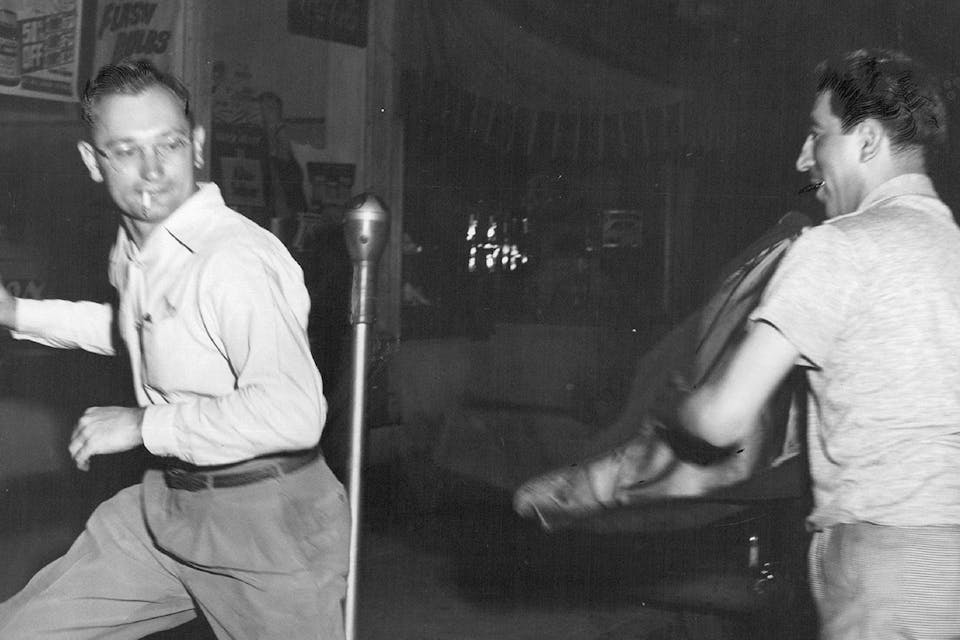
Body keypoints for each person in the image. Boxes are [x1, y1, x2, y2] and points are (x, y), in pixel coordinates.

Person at [0, 59, 349, 639]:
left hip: (268, 523)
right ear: (93, 161)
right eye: (127, 150)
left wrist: (141, 425)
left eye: (170, 144)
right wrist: (17, 314)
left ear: (199, 145)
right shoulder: (141, 245)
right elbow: (138, 329)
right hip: (167, 508)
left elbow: (294, 413)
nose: (154, 170)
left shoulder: (232, 260)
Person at [673, 48, 960, 638]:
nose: (803, 158)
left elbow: (720, 420)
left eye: (817, 134)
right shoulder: (950, 247)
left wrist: (672, 404)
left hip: (889, 565)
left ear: (869, 140)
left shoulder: (838, 247)